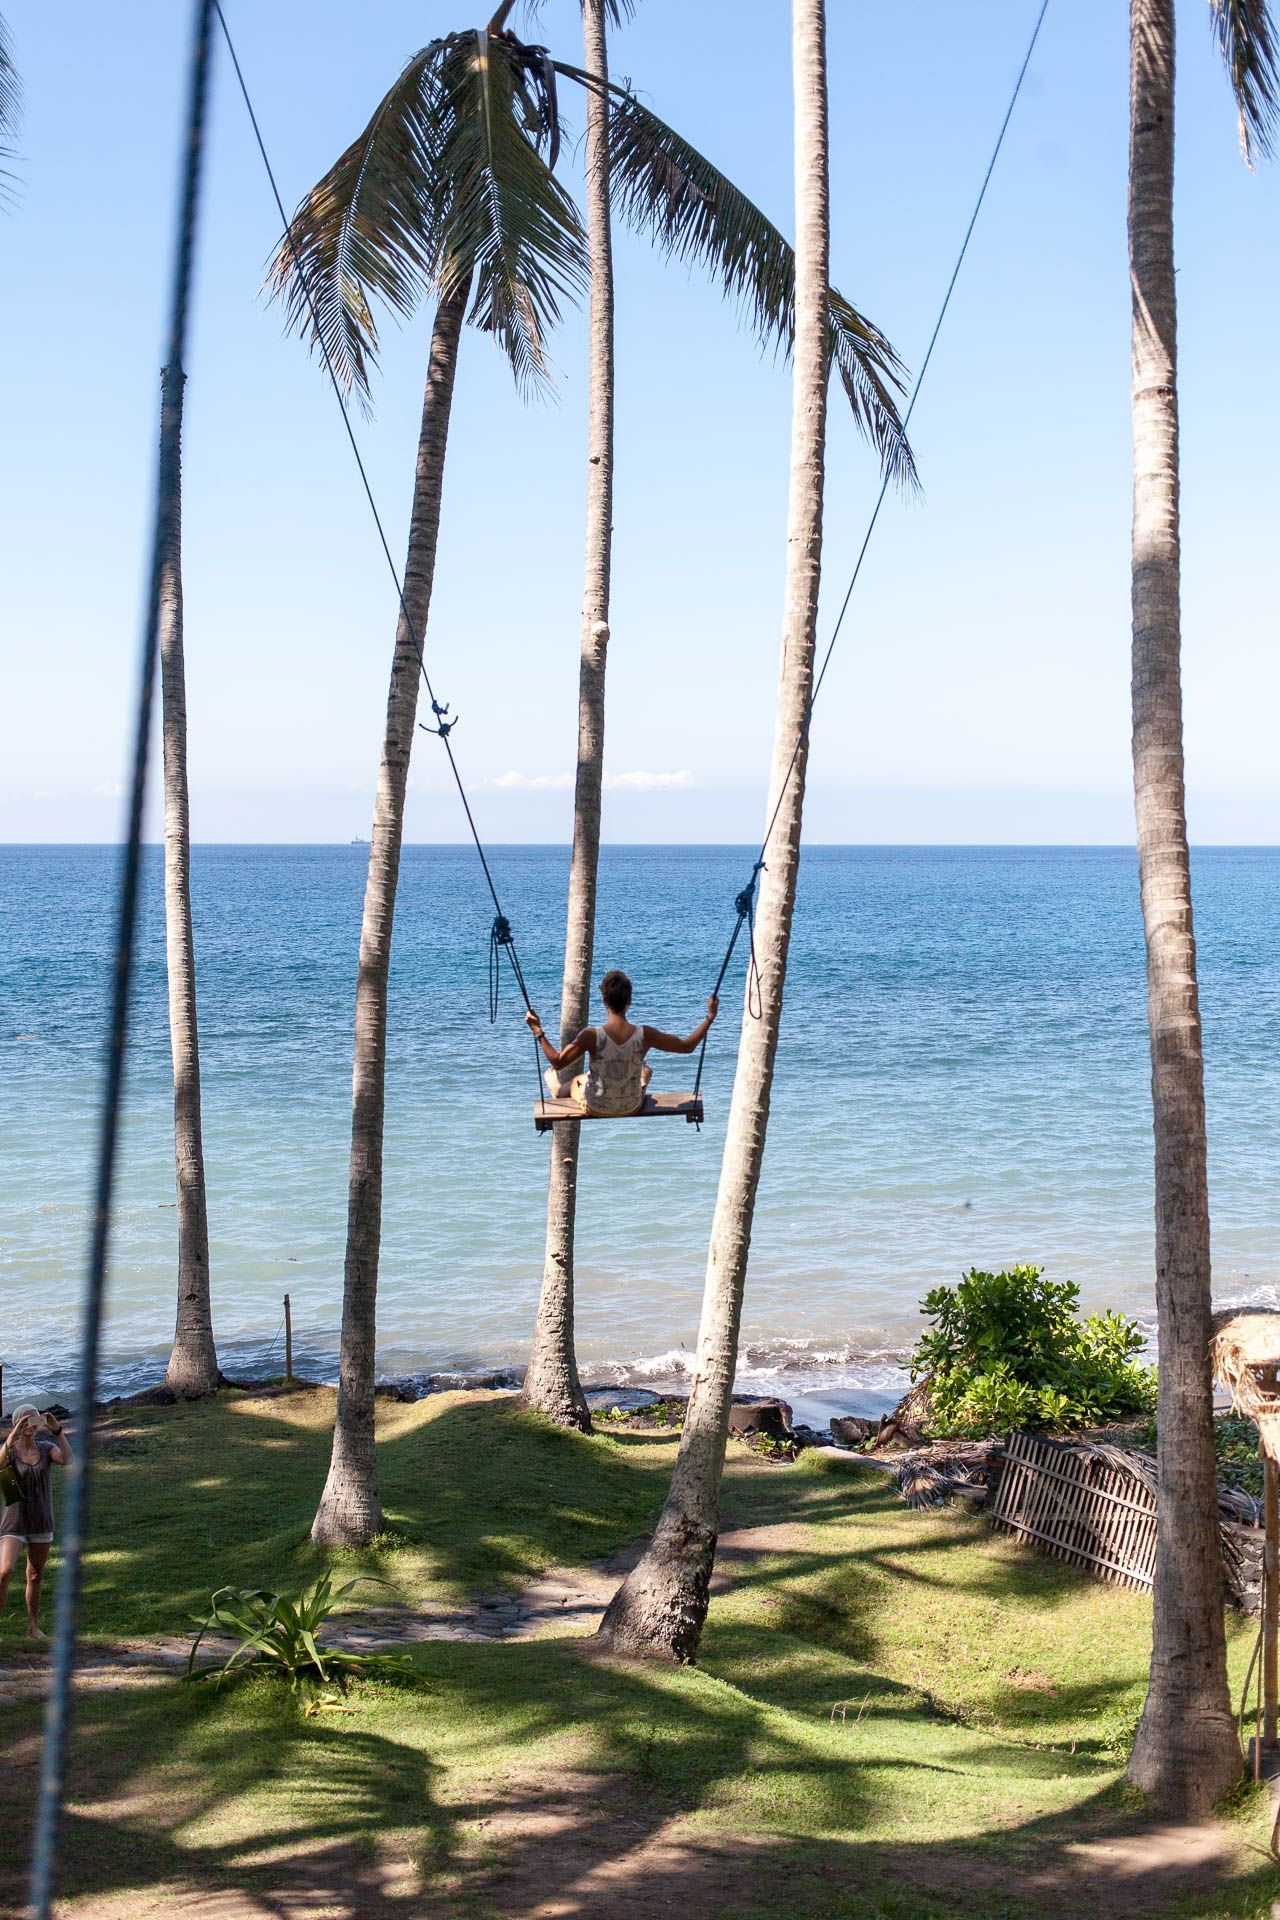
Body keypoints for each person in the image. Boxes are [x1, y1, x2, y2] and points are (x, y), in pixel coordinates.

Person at [526, 969, 718, 1117]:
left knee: (579, 1080)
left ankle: (556, 1089)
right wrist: (710, 1016)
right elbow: (687, 1046)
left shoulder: (591, 1036)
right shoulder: (645, 1035)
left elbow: (557, 1062)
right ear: (630, 1001)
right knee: (638, 1073)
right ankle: (642, 1077)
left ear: (603, 1001)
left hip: (596, 1107)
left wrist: (538, 1031)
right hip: (632, 1106)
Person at [0, 1403, 70, 1640]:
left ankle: (32, 1626)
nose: (29, 1424)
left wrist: (58, 1431)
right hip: (14, 1522)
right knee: (4, 1571)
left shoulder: (46, 1447)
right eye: (23, 1420)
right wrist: (12, 1436)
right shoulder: (9, 1452)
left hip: (41, 1520)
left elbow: (68, 1460)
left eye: (33, 1419)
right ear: (17, 1424)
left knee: (35, 1574)